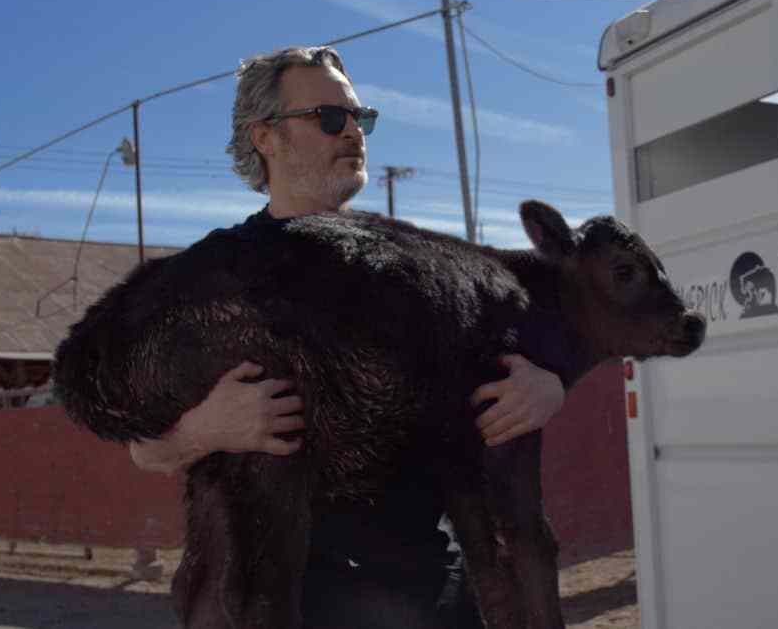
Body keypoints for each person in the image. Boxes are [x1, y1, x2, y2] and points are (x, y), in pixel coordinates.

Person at [126, 46, 566, 627]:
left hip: (431, 596)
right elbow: (145, 448)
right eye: (330, 118)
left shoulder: (421, 267)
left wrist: (547, 384)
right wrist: (207, 428)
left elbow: (530, 350)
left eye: (362, 117)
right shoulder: (208, 280)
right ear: (266, 138)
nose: (354, 132)